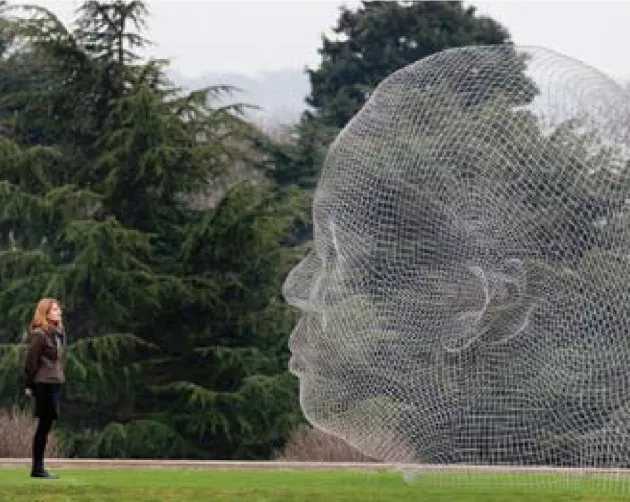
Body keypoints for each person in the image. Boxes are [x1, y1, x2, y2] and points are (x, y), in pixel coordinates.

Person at [24, 298, 66, 479]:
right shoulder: (39, 335)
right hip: (43, 383)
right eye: (55, 309)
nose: (59, 312)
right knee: (43, 426)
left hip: (55, 381)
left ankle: (39, 467)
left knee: (47, 425)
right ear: (45, 313)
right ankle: (37, 468)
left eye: (58, 309)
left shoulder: (58, 333)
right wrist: (29, 384)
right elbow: (30, 362)